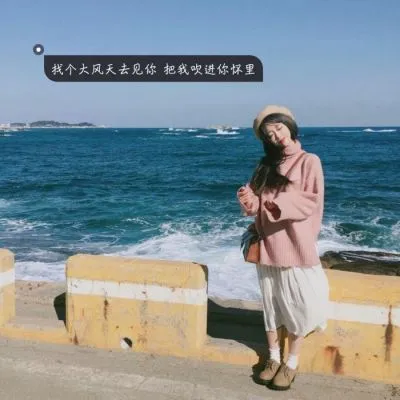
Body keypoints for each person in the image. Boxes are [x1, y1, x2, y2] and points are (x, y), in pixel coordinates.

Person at [237, 105, 330, 391]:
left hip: (295, 246)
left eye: (278, 128)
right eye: (268, 134)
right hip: (267, 246)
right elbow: (256, 206)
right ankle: (273, 358)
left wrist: (276, 204)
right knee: (272, 308)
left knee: (299, 308)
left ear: (289, 125)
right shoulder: (265, 166)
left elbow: (311, 199)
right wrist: (248, 198)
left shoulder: (309, 161)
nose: (275, 135)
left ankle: (292, 362)